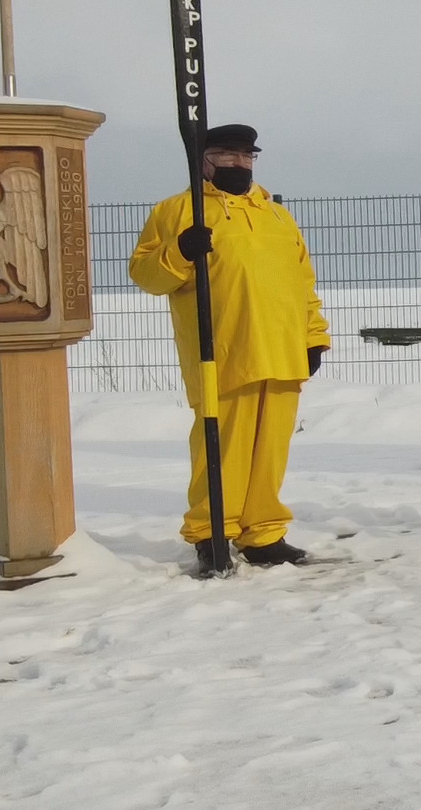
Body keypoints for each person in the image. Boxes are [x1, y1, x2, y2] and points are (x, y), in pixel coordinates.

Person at [129, 124, 331, 572]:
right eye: (227, 155)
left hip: (281, 350)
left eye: (247, 156)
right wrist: (181, 251)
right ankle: (211, 532)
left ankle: (263, 534)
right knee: (220, 449)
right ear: (204, 161)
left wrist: (314, 336)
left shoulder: (277, 216)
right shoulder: (177, 211)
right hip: (221, 352)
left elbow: (303, 283)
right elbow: (145, 275)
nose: (239, 163)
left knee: (270, 450)